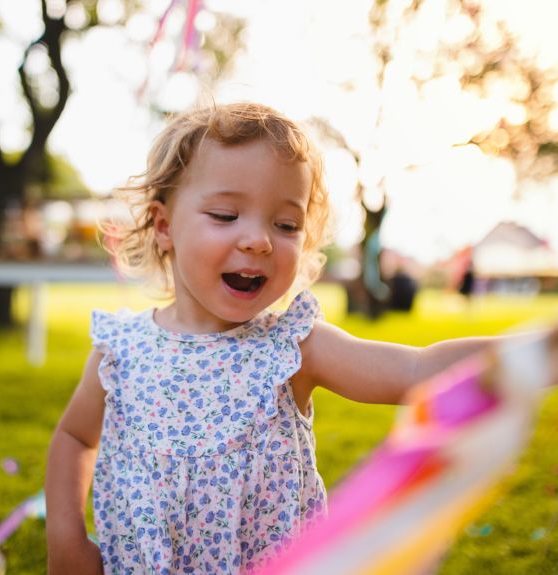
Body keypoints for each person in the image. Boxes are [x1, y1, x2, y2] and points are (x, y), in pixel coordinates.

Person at [44, 103, 516, 574]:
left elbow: (414, 370)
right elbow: (73, 437)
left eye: (286, 225)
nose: (259, 240)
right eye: (226, 215)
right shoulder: (121, 353)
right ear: (165, 226)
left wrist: (528, 353)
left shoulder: (292, 349)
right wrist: (65, 536)